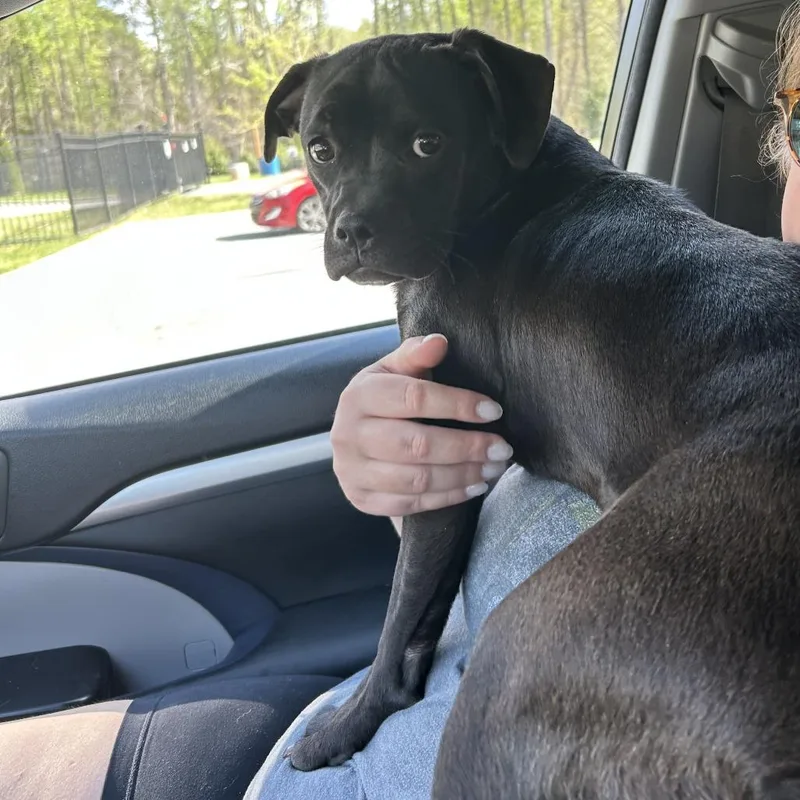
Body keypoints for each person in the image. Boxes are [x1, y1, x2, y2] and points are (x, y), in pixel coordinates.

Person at [2, 7, 800, 797]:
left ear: (502, 121)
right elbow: (436, 473)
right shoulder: (612, 234)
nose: (357, 205)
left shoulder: (468, 280)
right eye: (327, 154)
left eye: (424, 145)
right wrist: (387, 461)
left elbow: (442, 512)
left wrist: (383, 688)